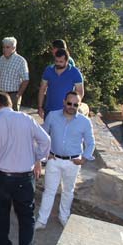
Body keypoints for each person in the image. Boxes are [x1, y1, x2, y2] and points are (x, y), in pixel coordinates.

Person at [0, 92, 51, 245]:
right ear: (10, 104)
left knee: (0, 213)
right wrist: (37, 157)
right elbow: (46, 140)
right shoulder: (26, 119)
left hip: (1, 178)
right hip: (25, 178)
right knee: (26, 215)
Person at [35, 91, 95, 229]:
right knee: (49, 191)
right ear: (64, 102)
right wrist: (45, 154)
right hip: (54, 160)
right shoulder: (53, 116)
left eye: (75, 104)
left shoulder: (85, 122)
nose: (72, 106)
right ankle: (42, 220)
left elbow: (90, 143)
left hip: (73, 162)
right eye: (69, 103)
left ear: (79, 105)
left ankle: (63, 217)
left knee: (68, 191)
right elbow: (43, 135)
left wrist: (84, 158)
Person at [36, 49, 84, 119]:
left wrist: (73, 107)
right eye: (56, 61)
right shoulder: (48, 70)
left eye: (61, 62)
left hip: (66, 111)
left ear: (67, 61)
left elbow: (80, 92)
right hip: (49, 110)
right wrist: (40, 107)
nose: (58, 64)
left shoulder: (75, 73)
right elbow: (42, 89)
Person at [0, 37, 29, 110]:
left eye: (7, 47)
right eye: (3, 47)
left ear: (14, 48)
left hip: (13, 94)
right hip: (0, 93)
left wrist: (18, 95)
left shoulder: (21, 61)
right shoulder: (1, 58)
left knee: (12, 118)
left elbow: (26, 80)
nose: (4, 49)